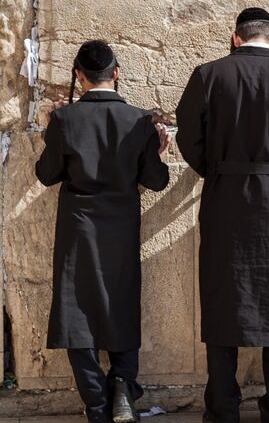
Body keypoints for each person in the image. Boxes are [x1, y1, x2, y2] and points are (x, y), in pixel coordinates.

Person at [176, 7, 269, 423]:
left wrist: (219, 168)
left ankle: (222, 406)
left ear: (235, 38)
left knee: (224, 295)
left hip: (225, 199)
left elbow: (188, 138)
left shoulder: (208, 75)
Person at [36, 40, 171, 423]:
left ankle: (97, 405)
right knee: (121, 304)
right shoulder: (140, 121)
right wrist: (157, 153)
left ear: (79, 76)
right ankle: (123, 388)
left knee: (76, 311)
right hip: (122, 228)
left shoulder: (65, 121)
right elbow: (155, 181)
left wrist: (52, 131)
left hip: (79, 229)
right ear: (116, 73)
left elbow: (47, 175)